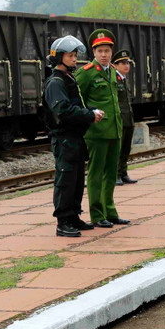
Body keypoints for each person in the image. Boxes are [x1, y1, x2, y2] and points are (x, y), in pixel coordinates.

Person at [43, 36, 103, 237]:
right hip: (64, 138)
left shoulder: (68, 78)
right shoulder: (56, 82)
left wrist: (90, 111)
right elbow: (62, 110)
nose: (74, 59)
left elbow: (76, 105)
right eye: (70, 55)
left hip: (75, 137)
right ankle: (62, 222)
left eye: (75, 55)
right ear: (59, 57)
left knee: (77, 180)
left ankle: (73, 216)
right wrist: (89, 115)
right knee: (65, 180)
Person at [76, 29, 129, 227]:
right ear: (94, 52)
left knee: (111, 173)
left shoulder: (113, 72)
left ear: (111, 52)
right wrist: (88, 116)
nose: (104, 55)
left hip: (114, 129)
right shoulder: (87, 73)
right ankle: (98, 215)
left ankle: (110, 211)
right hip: (97, 132)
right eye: (100, 51)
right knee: (96, 174)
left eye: (107, 51)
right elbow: (78, 100)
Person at [113, 49, 138, 185]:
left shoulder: (123, 79)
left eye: (127, 63)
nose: (126, 66)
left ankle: (123, 173)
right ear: (115, 65)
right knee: (119, 148)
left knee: (126, 148)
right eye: (122, 63)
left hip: (128, 118)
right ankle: (116, 174)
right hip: (120, 119)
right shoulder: (114, 79)